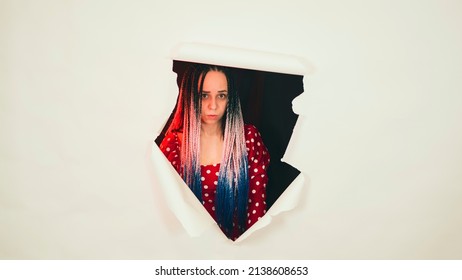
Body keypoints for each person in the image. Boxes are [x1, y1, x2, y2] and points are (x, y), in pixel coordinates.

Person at [159, 63, 270, 240]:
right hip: (187, 249)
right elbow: (165, 211)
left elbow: (257, 208)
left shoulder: (247, 139)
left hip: (237, 249)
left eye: (221, 96)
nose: (213, 105)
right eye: (204, 96)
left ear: (230, 99)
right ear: (191, 97)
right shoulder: (173, 145)